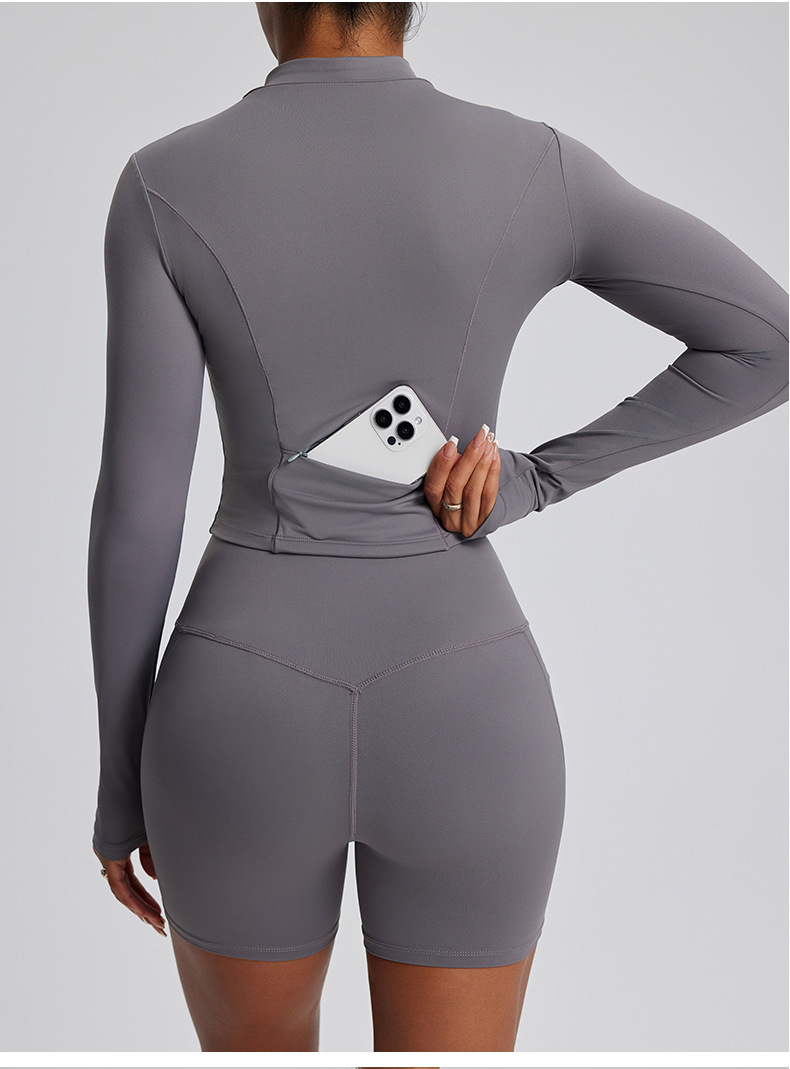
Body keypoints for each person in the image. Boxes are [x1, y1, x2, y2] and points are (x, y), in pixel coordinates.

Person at [87, 0, 788, 1054]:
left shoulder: (163, 183)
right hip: (465, 703)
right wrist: (534, 480)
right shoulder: (533, 167)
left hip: (238, 707)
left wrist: (118, 785)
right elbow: (767, 341)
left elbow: (139, 515)